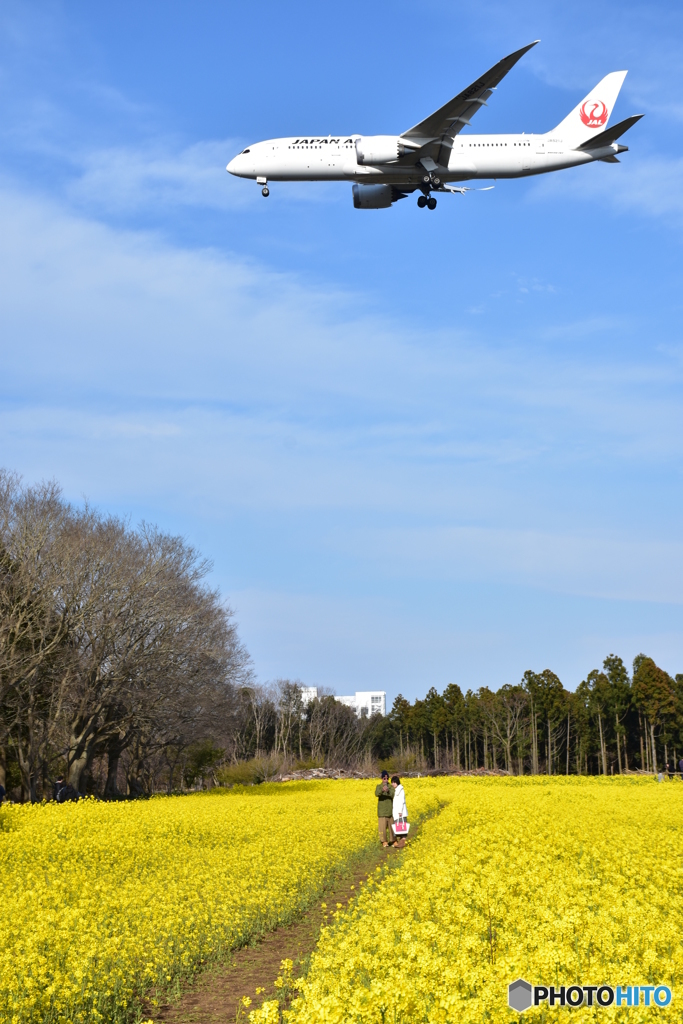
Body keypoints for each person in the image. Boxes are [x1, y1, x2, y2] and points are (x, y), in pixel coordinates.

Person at [375, 770, 395, 847]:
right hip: (382, 811)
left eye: (387, 778)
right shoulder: (378, 786)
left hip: (390, 810)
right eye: (384, 778)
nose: (385, 780)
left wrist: (388, 791)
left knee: (392, 827)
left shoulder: (391, 787)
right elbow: (376, 793)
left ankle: (393, 840)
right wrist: (382, 790)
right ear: (381, 778)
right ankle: (384, 841)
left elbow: (393, 794)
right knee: (382, 828)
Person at [391, 775, 408, 847]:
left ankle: (402, 843)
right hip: (398, 812)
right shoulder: (397, 789)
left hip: (400, 813)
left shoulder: (400, 790)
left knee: (402, 828)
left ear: (395, 782)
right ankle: (401, 843)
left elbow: (401, 801)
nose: (392, 784)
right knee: (400, 828)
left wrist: (400, 812)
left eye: (393, 783)